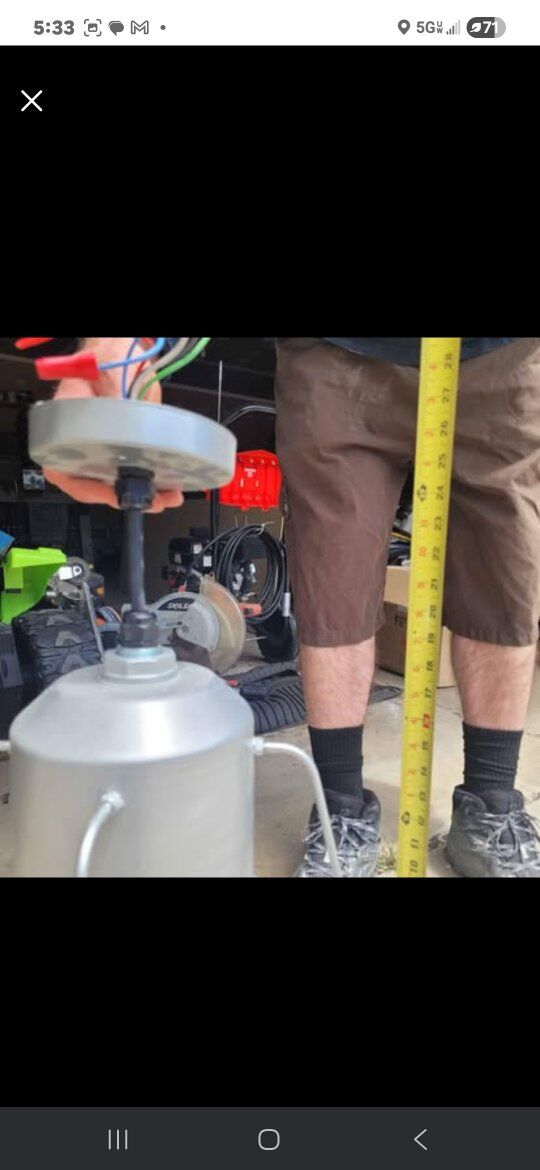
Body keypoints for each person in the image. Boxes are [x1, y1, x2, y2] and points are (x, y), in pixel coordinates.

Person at [48, 337, 540, 879]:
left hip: (499, 355)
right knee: (332, 582)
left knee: (505, 576)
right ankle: (340, 809)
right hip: (336, 355)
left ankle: (491, 809)